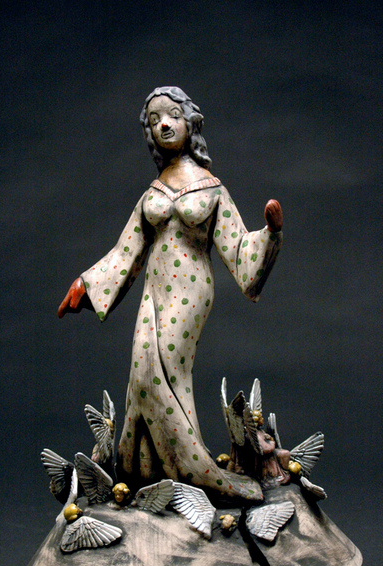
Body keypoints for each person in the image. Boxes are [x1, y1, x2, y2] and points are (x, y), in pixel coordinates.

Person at [58, 86, 283, 501]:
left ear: (190, 122)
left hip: (190, 290)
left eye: (172, 115)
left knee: (168, 370)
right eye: (154, 119)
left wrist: (271, 233)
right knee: (142, 369)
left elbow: (238, 249)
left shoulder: (212, 189)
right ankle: (145, 469)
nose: (164, 124)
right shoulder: (154, 192)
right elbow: (126, 251)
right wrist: (85, 284)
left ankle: (191, 471)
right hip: (154, 291)